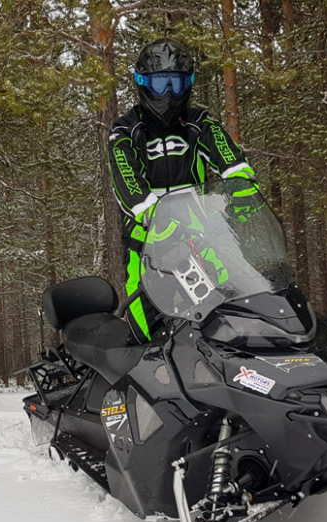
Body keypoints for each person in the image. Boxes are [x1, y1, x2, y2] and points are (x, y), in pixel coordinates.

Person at [108, 38, 256, 340]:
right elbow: (126, 177)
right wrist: (150, 214)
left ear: (187, 83)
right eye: (161, 83)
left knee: (230, 306)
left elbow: (226, 153)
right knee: (142, 327)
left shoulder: (198, 121)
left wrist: (241, 182)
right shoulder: (126, 130)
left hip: (198, 237)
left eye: (176, 83)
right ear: (143, 82)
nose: (168, 93)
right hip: (145, 242)